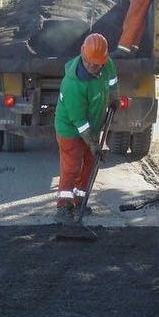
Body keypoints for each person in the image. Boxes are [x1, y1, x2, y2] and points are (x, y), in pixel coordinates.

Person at [53, 33, 118, 221]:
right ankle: (64, 207)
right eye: (88, 62)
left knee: (90, 164)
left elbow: (113, 81)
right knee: (72, 167)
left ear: (104, 60)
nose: (92, 67)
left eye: (96, 64)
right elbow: (79, 122)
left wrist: (114, 97)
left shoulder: (106, 64)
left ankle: (80, 201)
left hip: (93, 125)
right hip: (71, 129)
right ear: (82, 54)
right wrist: (94, 144)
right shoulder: (72, 84)